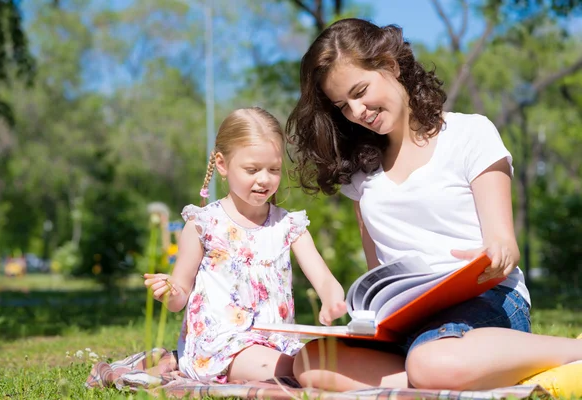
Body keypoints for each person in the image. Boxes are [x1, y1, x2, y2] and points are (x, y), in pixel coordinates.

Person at [285, 17, 582, 396]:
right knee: (311, 362)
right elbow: (379, 272)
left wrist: (492, 255)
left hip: (484, 300)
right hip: (407, 321)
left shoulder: (470, 133)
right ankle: (453, 373)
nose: (357, 111)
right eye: (343, 105)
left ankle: (575, 351)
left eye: (361, 91)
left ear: (390, 65)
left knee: (431, 362)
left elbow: (505, 247)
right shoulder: (361, 174)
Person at [144, 107, 347, 384]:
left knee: (324, 361)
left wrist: (332, 299)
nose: (264, 179)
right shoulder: (203, 223)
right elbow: (180, 298)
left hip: (279, 344)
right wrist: (170, 292)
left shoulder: (289, 226)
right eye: (252, 169)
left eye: (274, 169)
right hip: (222, 348)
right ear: (222, 165)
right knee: (305, 369)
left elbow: (324, 279)